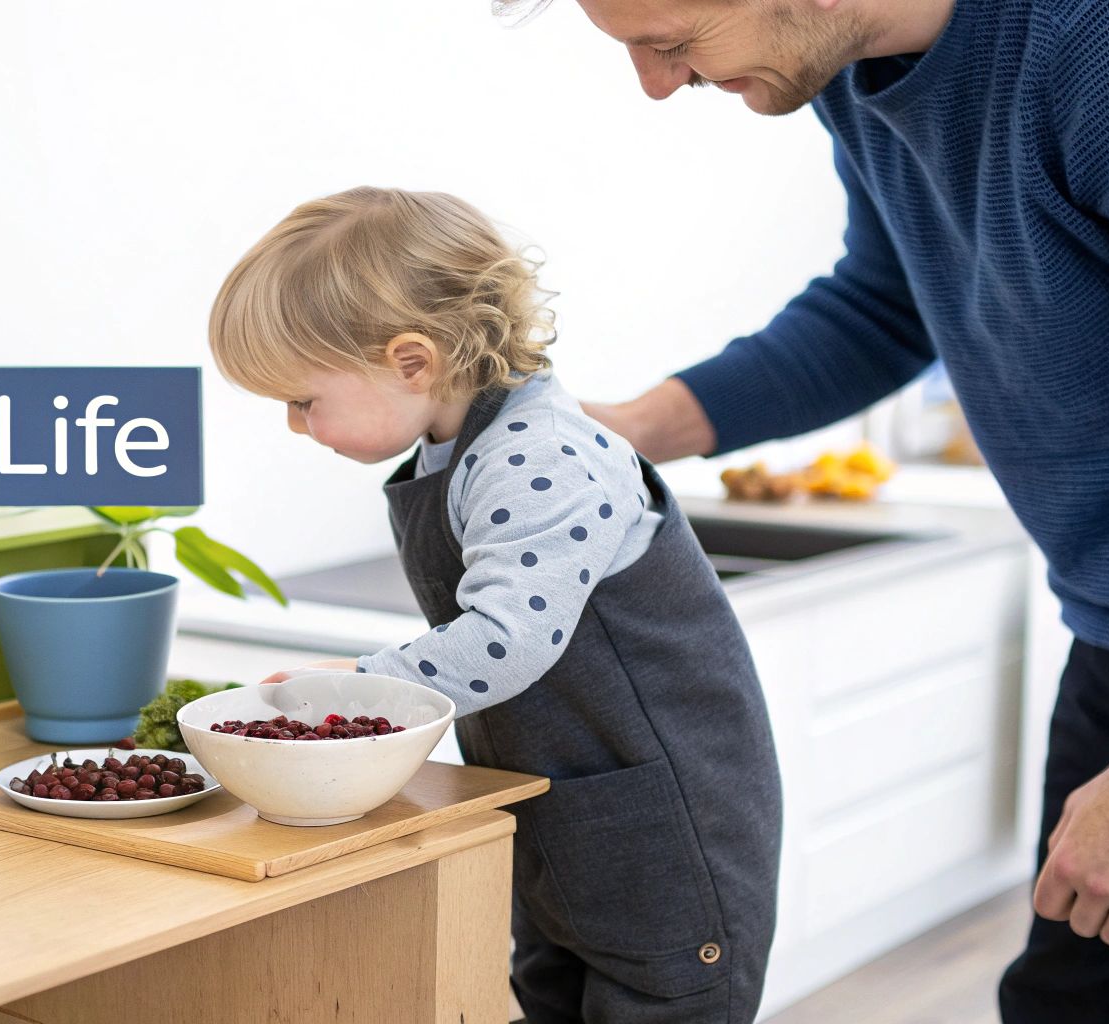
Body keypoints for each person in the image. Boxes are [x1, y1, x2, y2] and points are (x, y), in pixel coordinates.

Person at [494, 0, 1109, 1019]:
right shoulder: (854, 70)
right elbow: (884, 305)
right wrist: (624, 430)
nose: (655, 84)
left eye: (668, 42)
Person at [207, 185, 782, 1023]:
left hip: (661, 834)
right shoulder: (458, 449)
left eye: (303, 399)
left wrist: (359, 690)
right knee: (548, 995)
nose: (298, 425)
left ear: (411, 360)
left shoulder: (538, 452)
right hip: (569, 813)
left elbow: (509, 639)